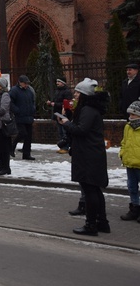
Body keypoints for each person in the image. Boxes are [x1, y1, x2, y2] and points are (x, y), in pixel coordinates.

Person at [57, 78, 110, 236]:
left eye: (77, 92)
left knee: (90, 190)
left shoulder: (87, 109)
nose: (75, 95)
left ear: (84, 94)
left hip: (88, 154)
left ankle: (91, 225)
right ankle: (102, 222)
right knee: (94, 189)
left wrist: (66, 123)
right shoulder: (90, 109)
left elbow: (82, 130)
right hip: (91, 153)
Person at [119, 101, 140, 222]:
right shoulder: (128, 127)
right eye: (130, 114)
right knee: (132, 187)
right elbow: (124, 142)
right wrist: (122, 153)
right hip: (129, 162)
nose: (131, 117)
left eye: (134, 114)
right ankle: (135, 208)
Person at [9, 75, 36, 160]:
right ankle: (12, 146)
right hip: (20, 116)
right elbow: (10, 102)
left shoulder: (29, 91)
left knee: (29, 136)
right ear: (20, 82)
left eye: (27, 83)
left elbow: (32, 101)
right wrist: (17, 110)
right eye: (25, 83)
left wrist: (33, 109)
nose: (26, 85)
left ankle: (26, 154)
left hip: (29, 116)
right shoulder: (14, 90)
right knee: (23, 133)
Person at [47, 77, 73, 152]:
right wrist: (51, 103)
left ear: (63, 83)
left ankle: (65, 147)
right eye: (57, 81)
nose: (57, 83)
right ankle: (62, 146)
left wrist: (54, 104)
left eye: (59, 81)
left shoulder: (66, 92)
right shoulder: (57, 91)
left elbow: (66, 103)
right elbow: (56, 100)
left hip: (63, 113)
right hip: (58, 113)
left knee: (64, 130)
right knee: (60, 131)